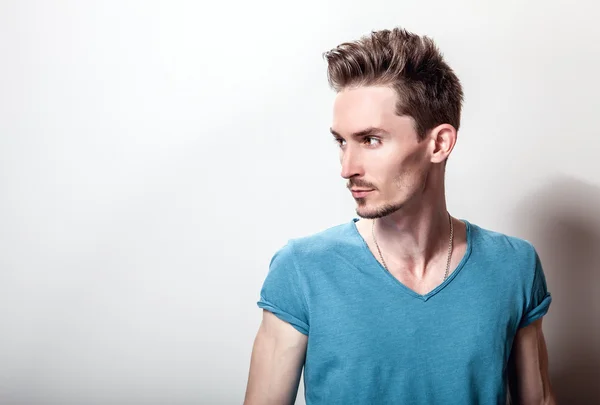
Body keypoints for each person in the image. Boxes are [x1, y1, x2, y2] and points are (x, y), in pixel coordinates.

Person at [243, 27, 555, 405]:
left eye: (370, 140)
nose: (347, 167)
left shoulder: (513, 266)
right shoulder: (302, 269)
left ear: (439, 143)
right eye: (342, 141)